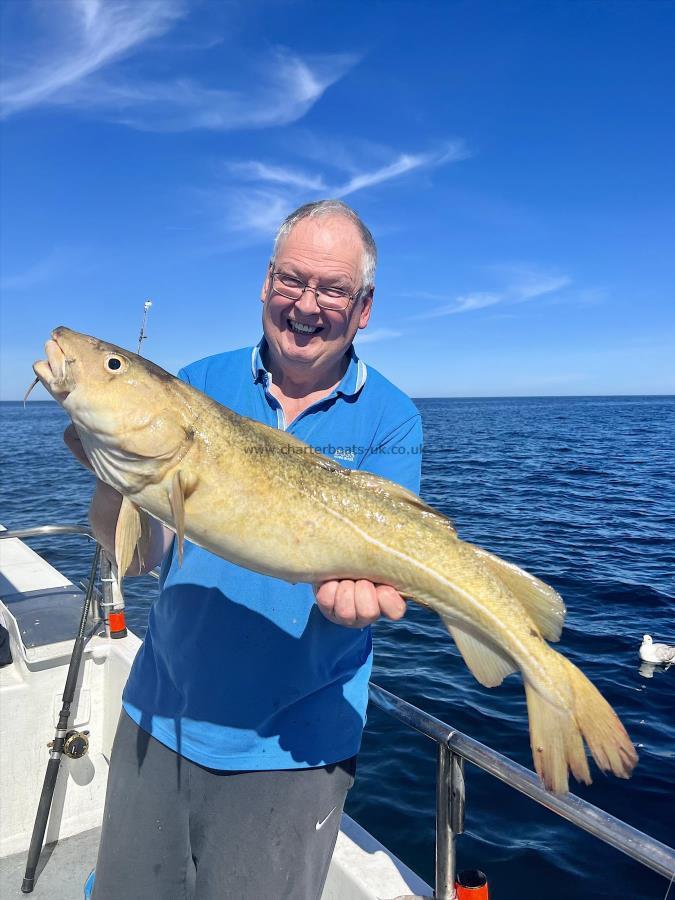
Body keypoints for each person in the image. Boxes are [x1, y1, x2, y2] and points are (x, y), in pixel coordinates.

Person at [60, 200, 423, 899]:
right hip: (159, 718)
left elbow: (380, 570)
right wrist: (113, 475)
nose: (306, 304)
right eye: (291, 279)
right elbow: (135, 558)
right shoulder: (196, 383)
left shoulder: (391, 416)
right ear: (264, 283)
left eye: (333, 288)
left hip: (295, 748)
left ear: (364, 307)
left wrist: (363, 602)